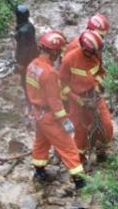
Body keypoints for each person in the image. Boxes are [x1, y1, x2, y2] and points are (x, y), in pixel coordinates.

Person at [25, 30, 85, 190]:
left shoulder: (32, 65)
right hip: (49, 116)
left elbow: (31, 90)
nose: (59, 55)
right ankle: (80, 181)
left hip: (37, 113)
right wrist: (65, 120)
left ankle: (39, 171)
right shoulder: (50, 73)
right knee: (68, 147)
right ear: (53, 51)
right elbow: (54, 101)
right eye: (58, 51)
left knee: (42, 142)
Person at [60, 30, 114, 163]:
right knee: (80, 131)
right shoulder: (69, 60)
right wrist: (79, 100)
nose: (96, 55)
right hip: (77, 99)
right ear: (86, 50)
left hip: (93, 95)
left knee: (106, 125)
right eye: (94, 52)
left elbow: (100, 73)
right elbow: (62, 85)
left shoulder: (95, 56)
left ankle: (101, 150)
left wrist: (97, 87)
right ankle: (80, 158)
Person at [14, 5, 39, 102]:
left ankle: (31, 102)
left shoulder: (22, 31)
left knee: (25, 81)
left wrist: (21, 63)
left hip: (27, 59)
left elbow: (24, 49)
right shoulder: (29, 25)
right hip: (34, 55)